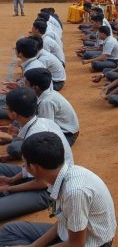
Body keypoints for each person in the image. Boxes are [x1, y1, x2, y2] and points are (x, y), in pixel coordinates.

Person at [0, 132, 116, 246]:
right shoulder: (60, 175)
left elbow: (76, 244)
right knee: (9, 231)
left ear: (34, 168)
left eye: (25, 163)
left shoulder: (74, 192)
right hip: (71, 235)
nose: (23, 166)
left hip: (90, 243)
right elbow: (63, 222)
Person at [0, 88, 74, 221]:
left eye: (7, 108)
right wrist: (11, 180)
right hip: (39, 174)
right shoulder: (43, 121)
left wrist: (11, 188)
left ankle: (8, 193)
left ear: (14, 114)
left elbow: (42, 183)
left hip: (50, 190)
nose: (5, 110)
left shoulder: (35, 135)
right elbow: (30, 167)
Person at [23, 68, 79, 146]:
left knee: (21, 147)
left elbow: (46, 129)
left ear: (35, 87)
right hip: (64, 129)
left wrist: (24, 134)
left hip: (67, 134)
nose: (23, 85)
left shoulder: (46, 102)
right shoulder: (46, 93)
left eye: (26, 83)